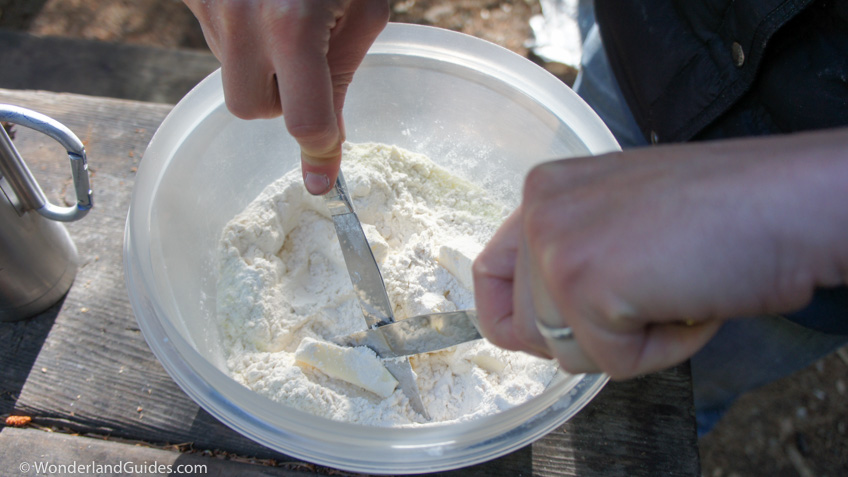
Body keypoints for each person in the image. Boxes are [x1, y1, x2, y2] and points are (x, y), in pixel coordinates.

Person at [183, 0, 848, 434]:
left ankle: (674, 417)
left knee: (671, 389)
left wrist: (786, 208)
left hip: (812, 233)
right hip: (661, 34)